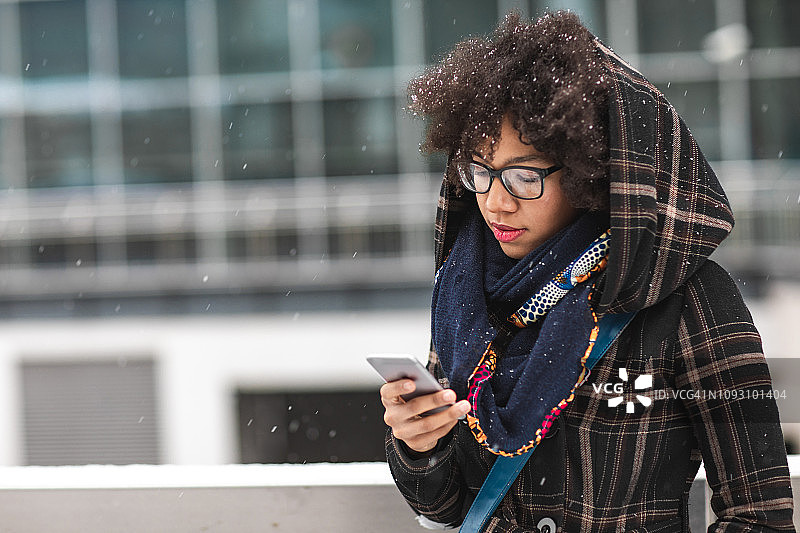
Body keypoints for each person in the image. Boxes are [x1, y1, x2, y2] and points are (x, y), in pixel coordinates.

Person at [380, 11, 795, 532]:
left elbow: (760, 514)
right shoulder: (469, 291)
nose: (495, 202)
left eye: (525, 175)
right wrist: (421, 445)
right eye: (481, 172)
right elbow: (450, 508)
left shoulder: (688, 294)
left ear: (589, 173)